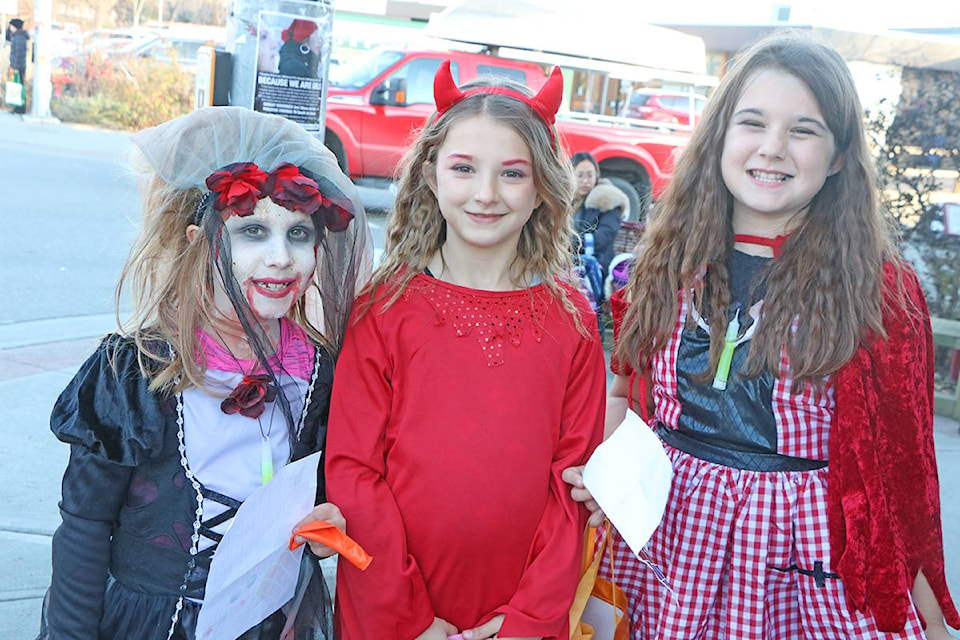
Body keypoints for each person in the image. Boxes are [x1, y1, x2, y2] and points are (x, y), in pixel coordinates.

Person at [563, 31, 960, 638]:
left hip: (800, 566)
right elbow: (625, 396)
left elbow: (904, 471)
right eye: (752, 123)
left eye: (803, 130)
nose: (772, 148)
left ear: (838, 157)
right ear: (719, 136)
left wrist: (930, 619)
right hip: (665, 545)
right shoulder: (666, 263)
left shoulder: (878, 289)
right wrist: (607, 479)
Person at [36, 107, 371, 640]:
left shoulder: (319, 374)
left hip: (271, 622)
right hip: (148, 624)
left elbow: (330, 488)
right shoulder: (136, 371)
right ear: (198, 241)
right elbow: (84, 526)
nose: (281, 257)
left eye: (300, 233)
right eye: (253, 232)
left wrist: (323, 518)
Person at [325, 60, 607, 640]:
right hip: (394, 607)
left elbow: (570, 487)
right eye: (463, 168)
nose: (485, 194)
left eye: (511, 174)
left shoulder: (573, 321)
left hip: (520, 611)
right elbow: (353, 471)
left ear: (542, 189)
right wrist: (410, 619)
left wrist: (526, 622)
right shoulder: (384, 307)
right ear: (430, 175)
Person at [571, 151, 626, 283]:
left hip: (596, 265)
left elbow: (604, 237)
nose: (585, 181)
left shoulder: (607, 199)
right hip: (569, 261)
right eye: (580, 175)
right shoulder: (565, 199)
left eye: (590, 175)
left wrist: (568, 242)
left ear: (597, 175)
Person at [8, 18, 28, 114]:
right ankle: (18, 106)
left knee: (19, 86)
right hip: (19, 65)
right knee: (18, 86)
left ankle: (20, 107)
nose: (10, 28)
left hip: (19, 66)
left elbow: (19, 53)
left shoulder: (19, 37)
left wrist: (16, 67)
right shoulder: (18, 36)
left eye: (11, 26)